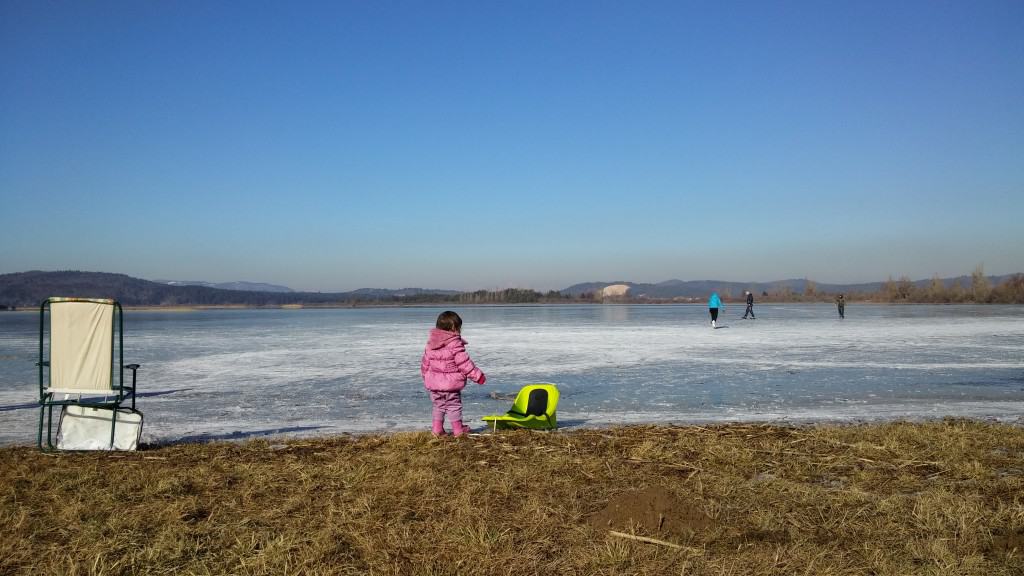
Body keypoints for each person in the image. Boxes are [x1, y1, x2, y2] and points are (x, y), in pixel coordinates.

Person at [420, 311, 486, 437]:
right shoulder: (455, 344)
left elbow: (425, 364)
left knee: (438, 406)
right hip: (450, 385)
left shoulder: (430, 344)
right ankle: (458, 430)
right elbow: (464, 363)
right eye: (460, 328)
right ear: (454, 328)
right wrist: (478, 376)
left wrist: (426, 377)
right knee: (453, 406)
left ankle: (437, 429)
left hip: (434, 384)